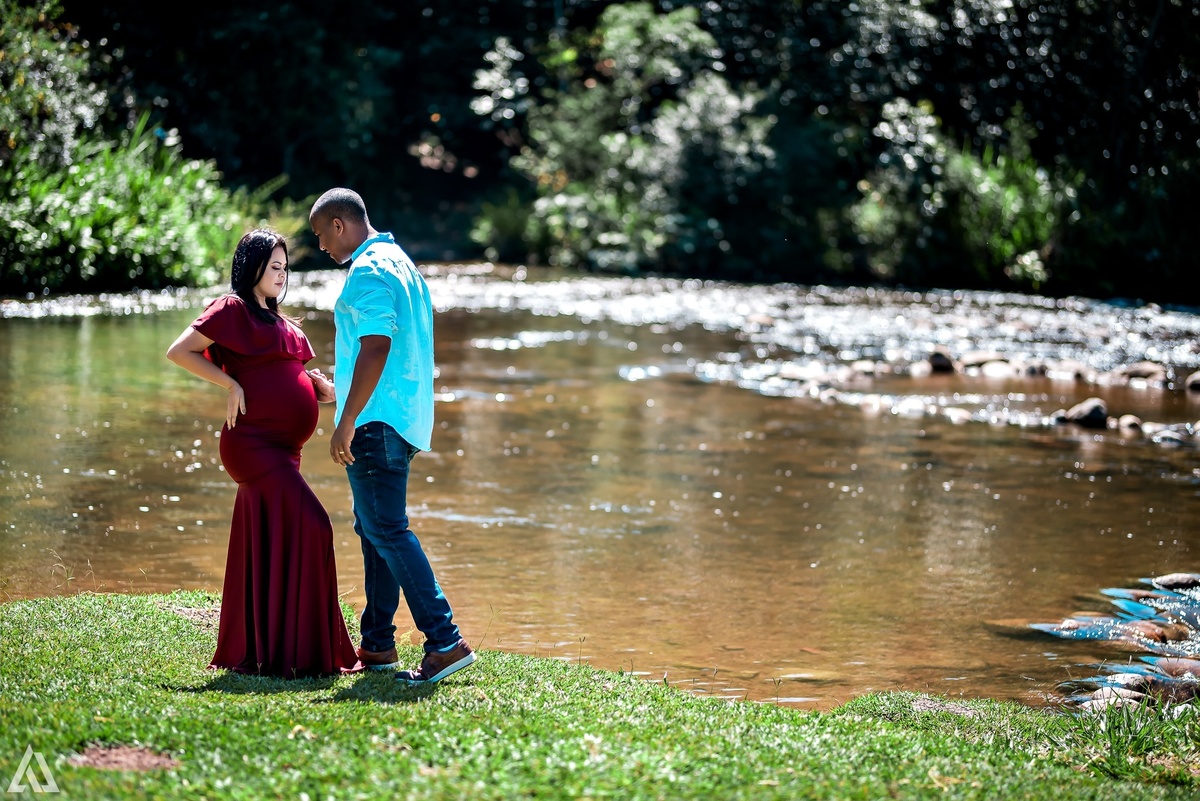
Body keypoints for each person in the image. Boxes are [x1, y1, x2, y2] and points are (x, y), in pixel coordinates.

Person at [166, 228, 359, 677]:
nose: (282, 274)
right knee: (315, 525)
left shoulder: (287, 325)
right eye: (274, 266)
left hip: (286, 451)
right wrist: (229, 383)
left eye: (285, 267)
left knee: (277, 538)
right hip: (252, 444)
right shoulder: (231, 310)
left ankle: (274, 650)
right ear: (252, 267)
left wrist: (318, 388)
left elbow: (288, 376)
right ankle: (304, 651)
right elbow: (180, 351)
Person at [308, 187, 475, 684]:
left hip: (376, 423)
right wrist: (340, 392)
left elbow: (377, 346)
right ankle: (378, 644)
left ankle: (444, 640)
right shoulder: (400, 262)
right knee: (374, 527)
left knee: (386, 529)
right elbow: (392, 351)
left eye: (320, 235)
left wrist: (347, 418)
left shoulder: (367, 270)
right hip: (400, 418)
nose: (321, 246)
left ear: (339, 225)